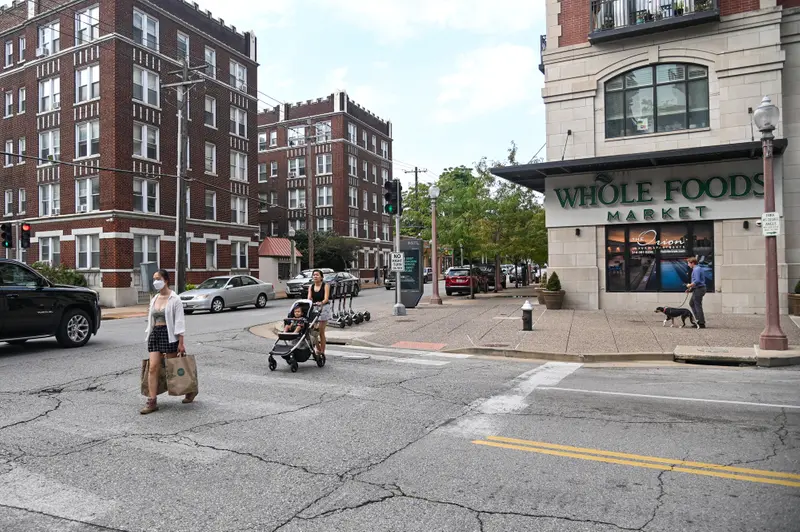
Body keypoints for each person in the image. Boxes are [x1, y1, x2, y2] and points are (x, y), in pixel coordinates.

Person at [141, 269, 192, 415]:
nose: (155, 281)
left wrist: (181, 342)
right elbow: (151, 319)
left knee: (173, 368)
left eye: (158, 278)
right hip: (155, 334)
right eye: (154, 279)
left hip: (169, 335)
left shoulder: (175, 299)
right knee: (153, 367)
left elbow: (179, 321)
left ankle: (190, 390)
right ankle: (152, 401)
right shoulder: (154, 298)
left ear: (166, 280)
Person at [307, 269, 331, 356]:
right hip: (314, 308)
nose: (315, 276)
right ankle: (318, 348)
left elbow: (326, 298)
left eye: (317, 275)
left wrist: (321, 303)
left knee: (321, 331)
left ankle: (322, 351)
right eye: (314, 275)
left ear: (321, 277)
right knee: (313, 332)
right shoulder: (311, 287)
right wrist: (309, 302)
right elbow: (309, 298)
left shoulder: (325, 285)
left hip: (323, 308)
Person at [686, 257, 706, 329]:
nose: (688, 265)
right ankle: (698, 320)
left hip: (699, 289)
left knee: (697, 305)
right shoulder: (697, 269)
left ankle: (701, 323)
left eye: (688, 263)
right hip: (697, 289)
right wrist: (690, 289)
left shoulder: (696, 269)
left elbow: (697, 280)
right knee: (692, 303)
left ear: (692, 263)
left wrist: (689, 285)